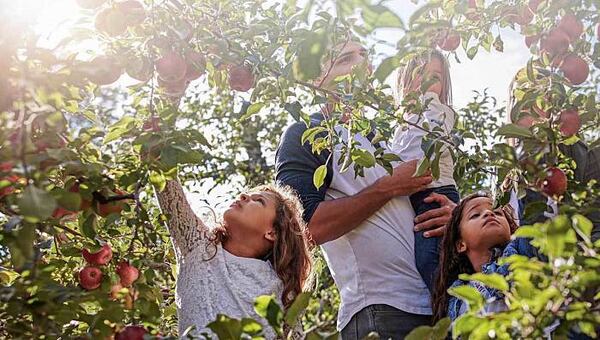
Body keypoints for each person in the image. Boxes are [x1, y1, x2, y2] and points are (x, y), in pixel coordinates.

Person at [275, 40, 457, 339]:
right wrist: (387, 187)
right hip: (380, 310)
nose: (361, 64)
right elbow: (301, 229)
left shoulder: (382, 142)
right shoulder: (307, 133)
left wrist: (453, 217)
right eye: (346, 58)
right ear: (315, 79)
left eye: (364, 55)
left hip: (433, 307)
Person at [154, 176, 313, 338]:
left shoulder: (282, 289)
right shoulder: (198, 247)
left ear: (272, 233)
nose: (243, 196)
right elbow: (165, 179)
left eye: (258, 201)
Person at [392, 50, 460, 293]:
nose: (429, 82)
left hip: (436, 194)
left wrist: (427, 98)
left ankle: (454, 308)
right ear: (404, 79)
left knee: (430, 260)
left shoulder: (441, 111)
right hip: (415, 197)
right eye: (421, 73)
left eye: (436, 77)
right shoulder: (400, 121)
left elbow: (422, 149)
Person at [430, 192, 536, 323]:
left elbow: (533, 214)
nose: (488, 213)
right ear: (461, 244)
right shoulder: (456, 294)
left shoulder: (521, 253)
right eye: (475, 215)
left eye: (497, 213)